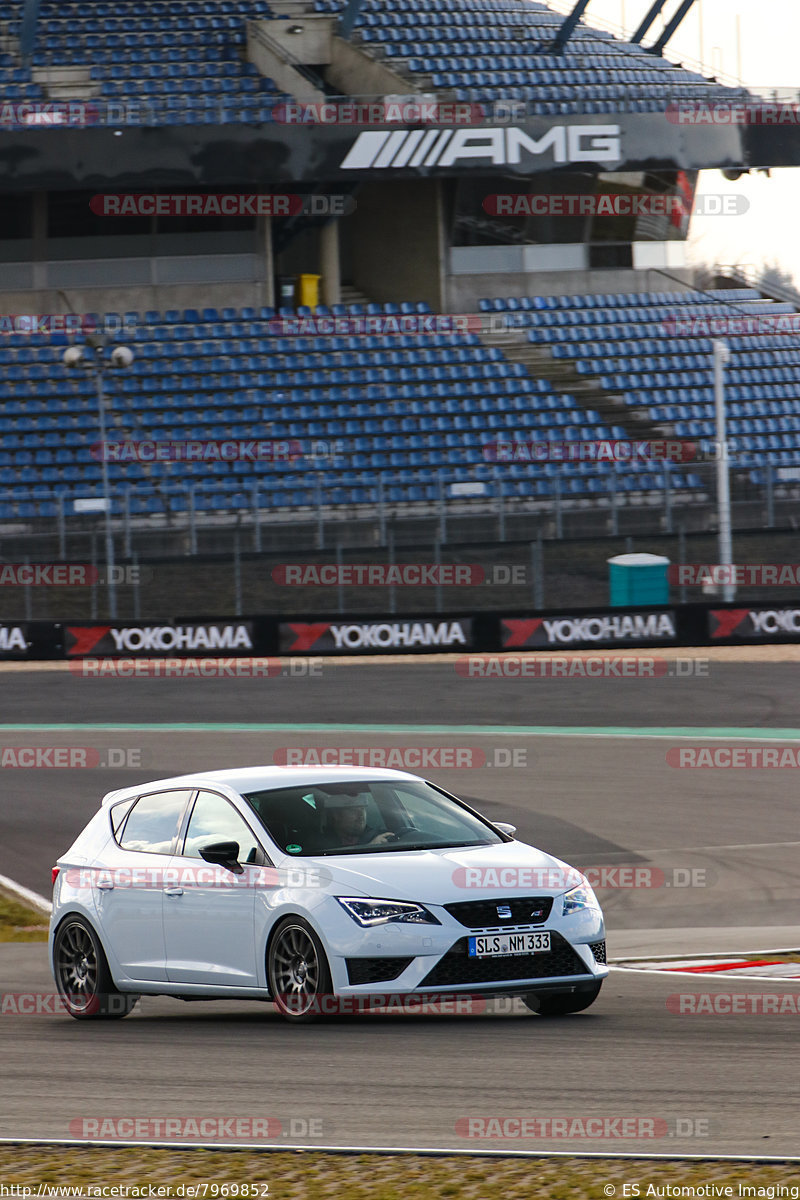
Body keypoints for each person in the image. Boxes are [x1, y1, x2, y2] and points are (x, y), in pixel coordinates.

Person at [323, 793, 396, 848]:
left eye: (362, 809)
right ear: (336, 815)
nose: (360, 815)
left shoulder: (380, 838)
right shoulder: (321, 843)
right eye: (353, 810)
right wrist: (369, 847)